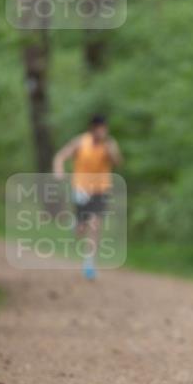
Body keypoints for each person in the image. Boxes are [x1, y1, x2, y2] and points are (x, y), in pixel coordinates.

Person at [52, 114, 123, 279]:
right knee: (81, 229)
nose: (101, 132)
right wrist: (59, 170)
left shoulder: (109, 144)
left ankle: (89, 262)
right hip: (81, 188)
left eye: (104, 129)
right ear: (92, 129)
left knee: (95, 223)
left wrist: (110, 150)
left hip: (101, 189)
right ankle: (76, 223)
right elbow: (60, 156)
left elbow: (118, 162)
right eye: (98, 128)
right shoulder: (80, 142)